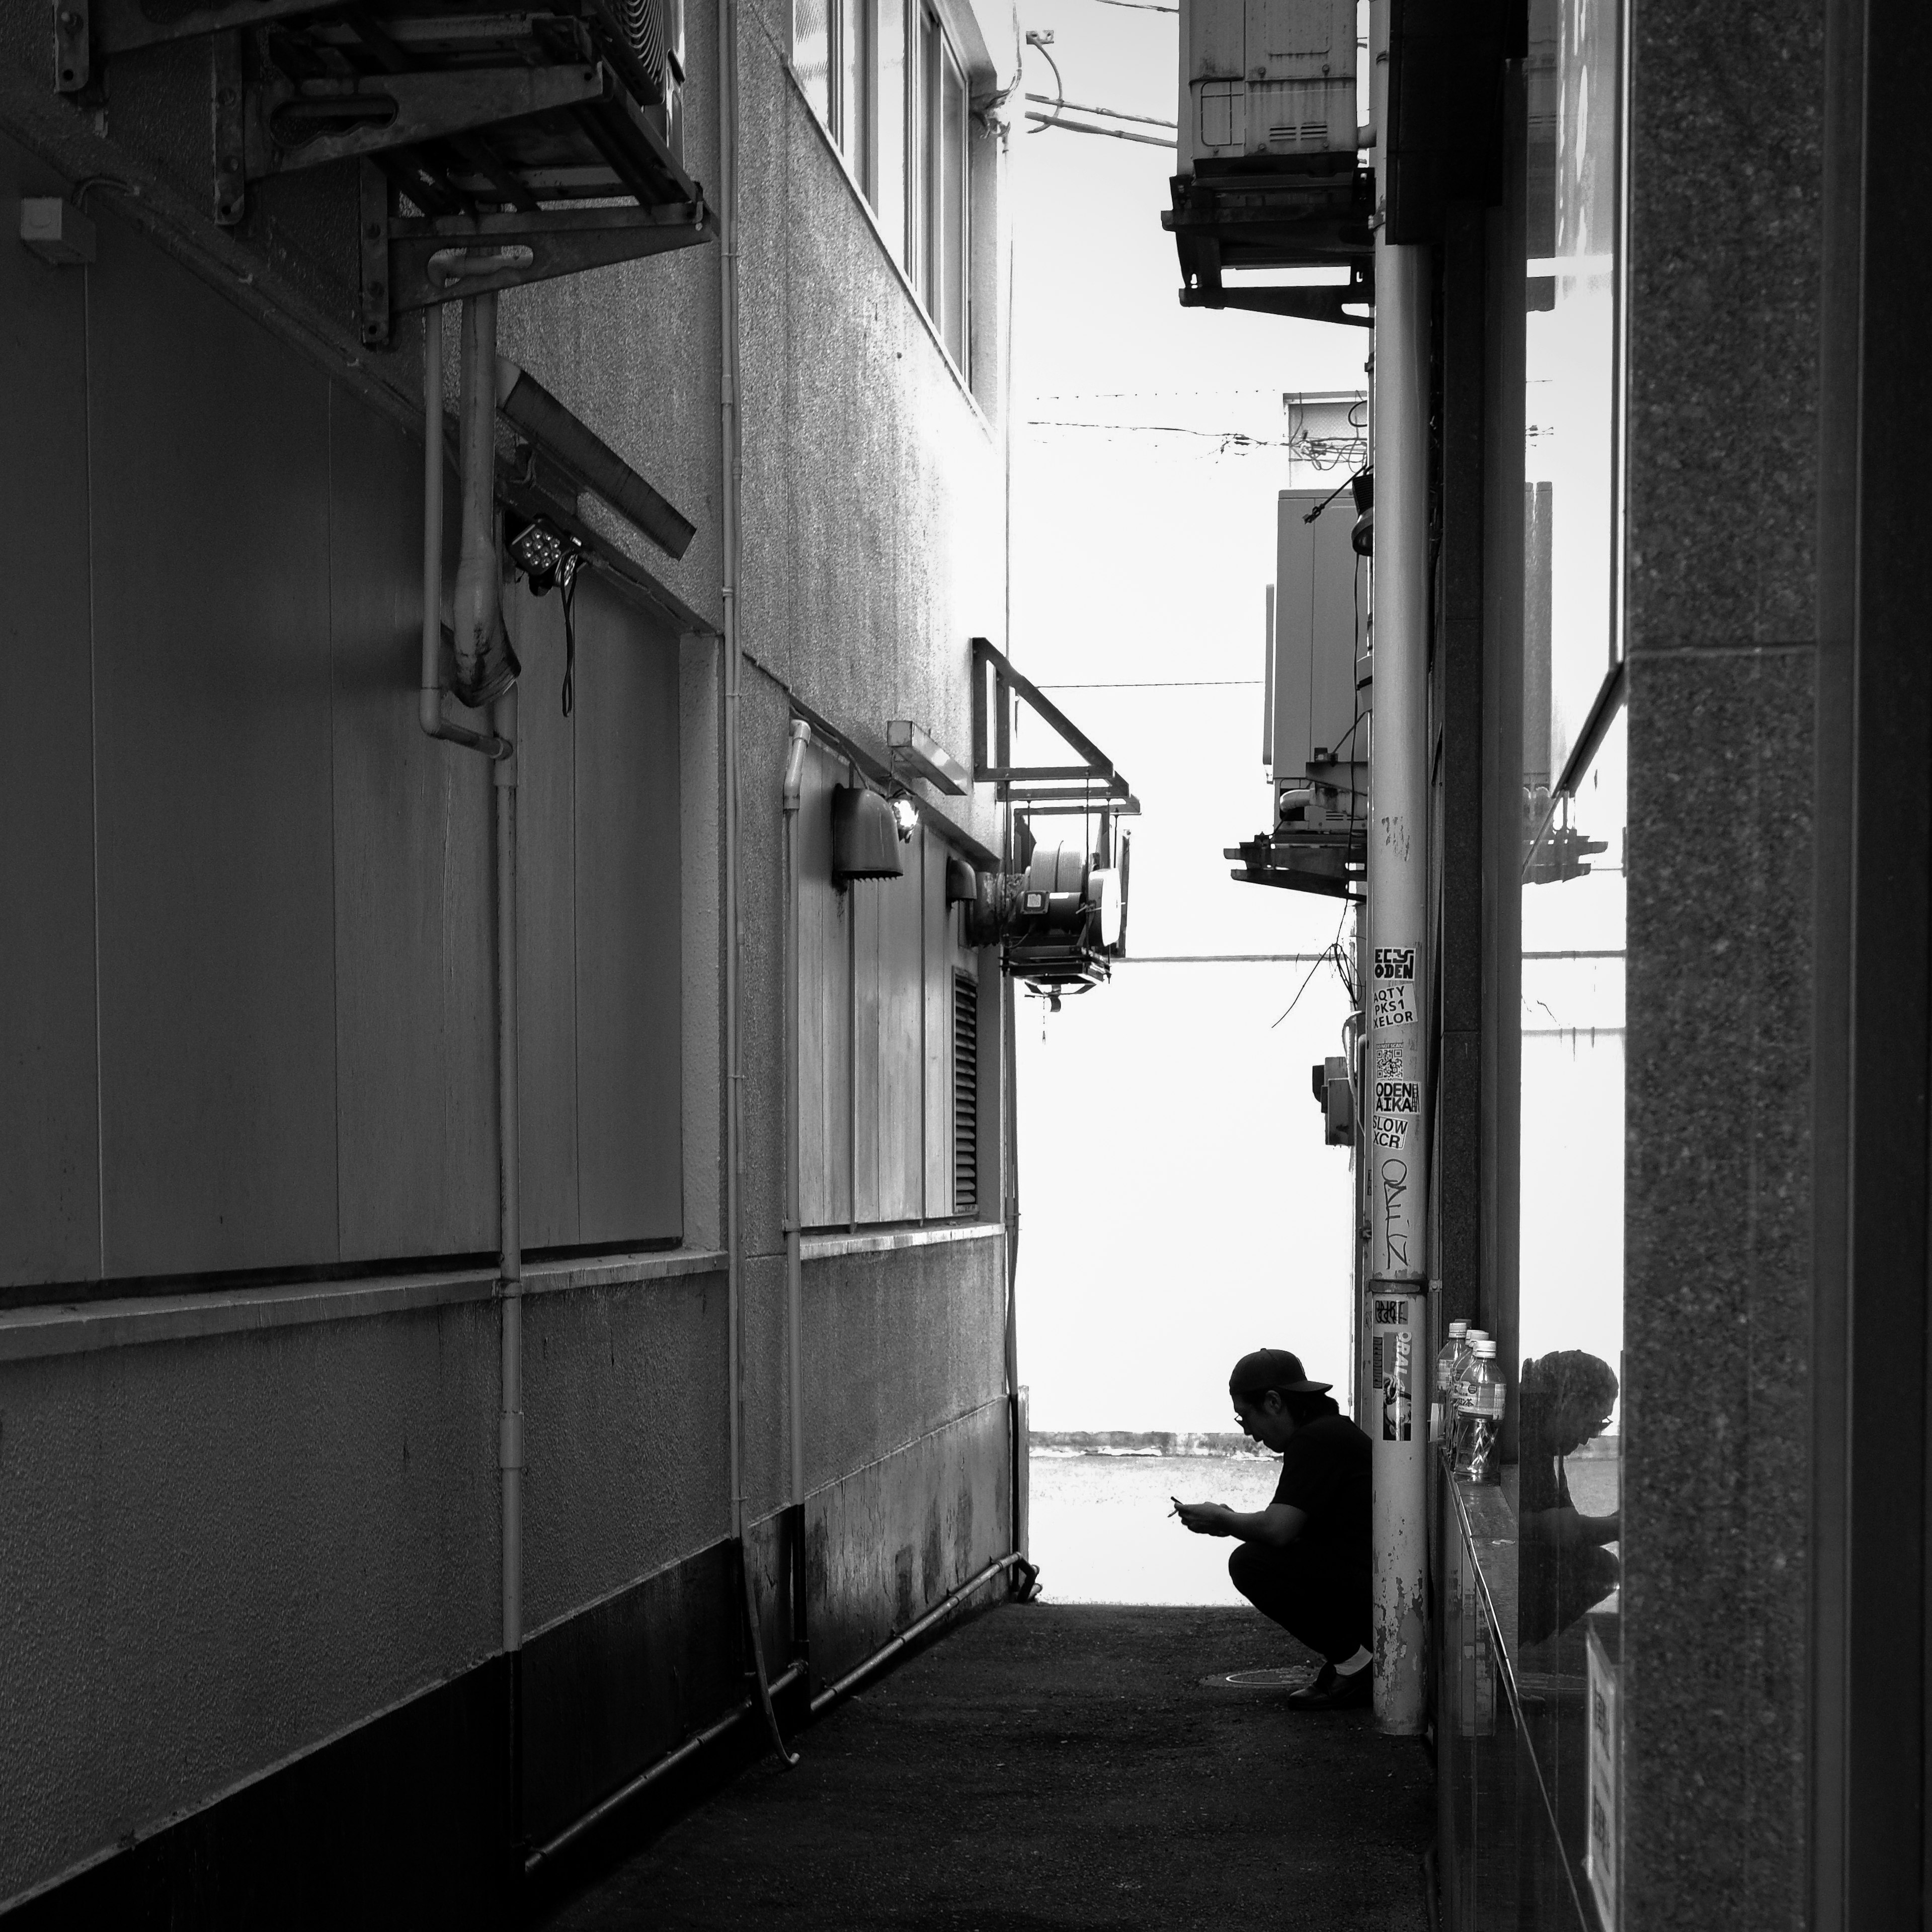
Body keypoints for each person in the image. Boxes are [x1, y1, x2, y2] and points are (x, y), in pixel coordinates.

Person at [1174, 1347, 1374, 1711]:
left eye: (1245, 1417)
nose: (1249, 1432)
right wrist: (1232, 1522)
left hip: (1373, 1589)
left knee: (1250, 1564)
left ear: (1274, 1402)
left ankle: (1356, 1667)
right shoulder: (1327, 1432)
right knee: (1259, 1554)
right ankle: (1355, 1659)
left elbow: (1279, 1530)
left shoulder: (1316, 1440)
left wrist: (1223, 1520)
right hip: (1372, 1581)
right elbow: (1293, 1528)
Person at [1516, 1349, 1622, 1646]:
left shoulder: (1536, 1432)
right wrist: (1622, 1526)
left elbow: (1567, 1521)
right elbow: (1566, 1530)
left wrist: (1618, 1521)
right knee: (1602, 1569)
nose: (1589, 1438)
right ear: (1569, 1402)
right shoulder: (1527, 1436)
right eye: (1593, 1423)